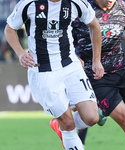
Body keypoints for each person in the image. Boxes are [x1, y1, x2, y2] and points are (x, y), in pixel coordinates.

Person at [50, 0, 125, 149]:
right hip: (95, 76)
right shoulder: (81, 9)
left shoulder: (124, 8)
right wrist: (75, 58)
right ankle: (79, 117)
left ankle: (96, 111)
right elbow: (59, 38)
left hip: (122, 72)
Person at [4, 0, 104, 150]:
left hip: (71, 65)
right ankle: (64, 124)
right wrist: (20, 53)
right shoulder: (29, 4)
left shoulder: (76, 3)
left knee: (92, 117)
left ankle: (59, 124)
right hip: (43, 71)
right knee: (68, 123)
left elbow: (94, 26)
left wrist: (97, 61)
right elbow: (9, 29)